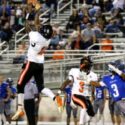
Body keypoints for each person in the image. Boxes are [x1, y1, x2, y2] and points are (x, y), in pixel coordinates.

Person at [12, 24, 62, 121]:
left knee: (19, 85)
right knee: (41, 88)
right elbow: (37, 27)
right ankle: (55, 98)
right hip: (40, 65)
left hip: (31, 63)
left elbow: (28, 28)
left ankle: (20, 108)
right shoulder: (47, 40)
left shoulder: (35, 35)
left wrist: (28, 17)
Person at [58, 56, 98, 125]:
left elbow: (94, 86)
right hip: (76, 96)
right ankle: (81, 123)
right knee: (84, 106)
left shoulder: (93, 75)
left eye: (88, 64)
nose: (87, 66)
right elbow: (68, 80)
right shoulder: (74, 71)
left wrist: (93, 94)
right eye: (85, 63)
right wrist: (62, 87)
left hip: (85, 97)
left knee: (91, 115)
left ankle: (84, 121)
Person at [90, 60, 125, 125]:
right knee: (115, 114)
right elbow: (98, 84)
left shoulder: (121, 74)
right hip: (116, 100)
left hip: (123, 99)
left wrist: (116, 69)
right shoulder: (107, 78)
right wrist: (88, 80)